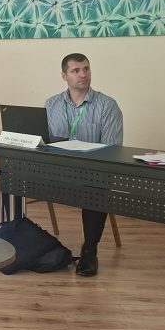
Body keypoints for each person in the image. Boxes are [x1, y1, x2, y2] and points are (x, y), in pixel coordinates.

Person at [45, 53, 123, 276]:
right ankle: (20, 240)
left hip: (91, 170)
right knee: (16, 177)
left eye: (86, 69)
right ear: (64, 76)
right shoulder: (51, 104)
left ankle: (89, 250)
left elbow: (112, 149)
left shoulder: (107, 106)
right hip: (58, 168)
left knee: (97, 185)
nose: (83, 74)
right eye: (76, 70)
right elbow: (45, 140)